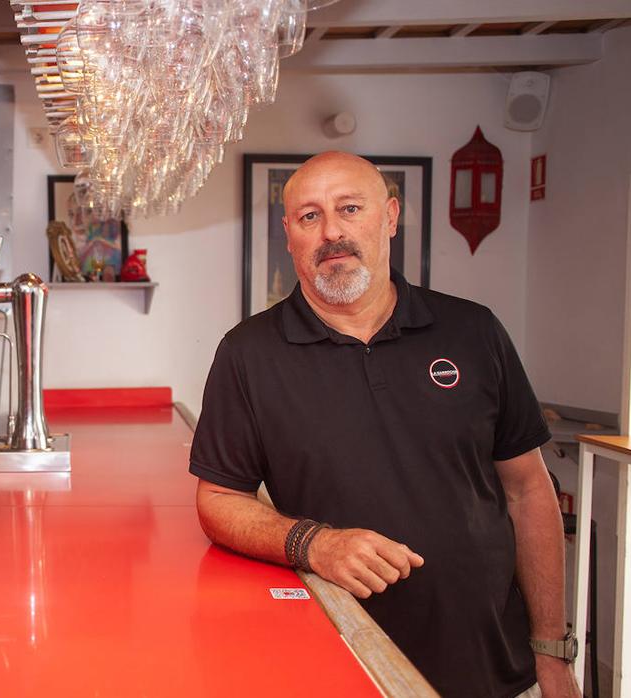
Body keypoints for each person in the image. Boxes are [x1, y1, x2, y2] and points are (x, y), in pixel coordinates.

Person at [190, 151, 579, 698]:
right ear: (289, 234)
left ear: (391, 217)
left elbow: (528, 490)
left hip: (497, 669)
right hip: (340, 667)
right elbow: (218, 499)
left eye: (350, 209)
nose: (331, 232)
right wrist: (313, 543)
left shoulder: (474, 330)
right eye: (309, 217)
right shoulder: (248, 354)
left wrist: (552, 649)